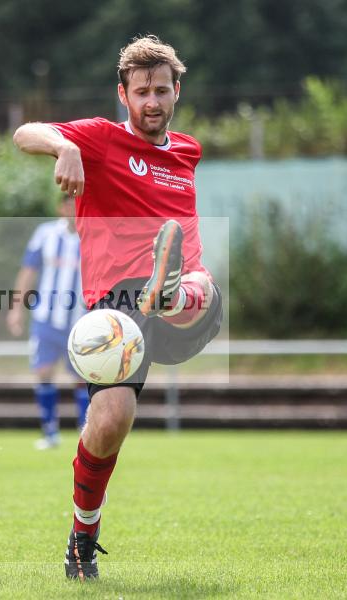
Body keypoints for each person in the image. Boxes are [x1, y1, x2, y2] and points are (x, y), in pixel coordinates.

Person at [13, 35, 223, 580]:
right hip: (116, 304)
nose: (152, 101)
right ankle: (82, 537)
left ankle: (172, 286)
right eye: (141, 92)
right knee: (110, 421)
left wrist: (177, 288)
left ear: (176, 91)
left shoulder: (187, 151)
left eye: (161, 90)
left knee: (201, 293)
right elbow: (22, 132)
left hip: (184, 293)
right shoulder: (101, 139)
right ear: (123, 95)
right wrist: (65, 148)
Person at [6, 194, 89, 450]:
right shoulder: (45, 233)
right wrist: (16, 308)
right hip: (46, 317)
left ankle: (85, 432)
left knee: (83, 377)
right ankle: (50, 431)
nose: (72, 210)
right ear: (61, 207)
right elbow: (28, 271)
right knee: (43, 371)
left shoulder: (92, 235)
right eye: (68, 205)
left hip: (81, 318)